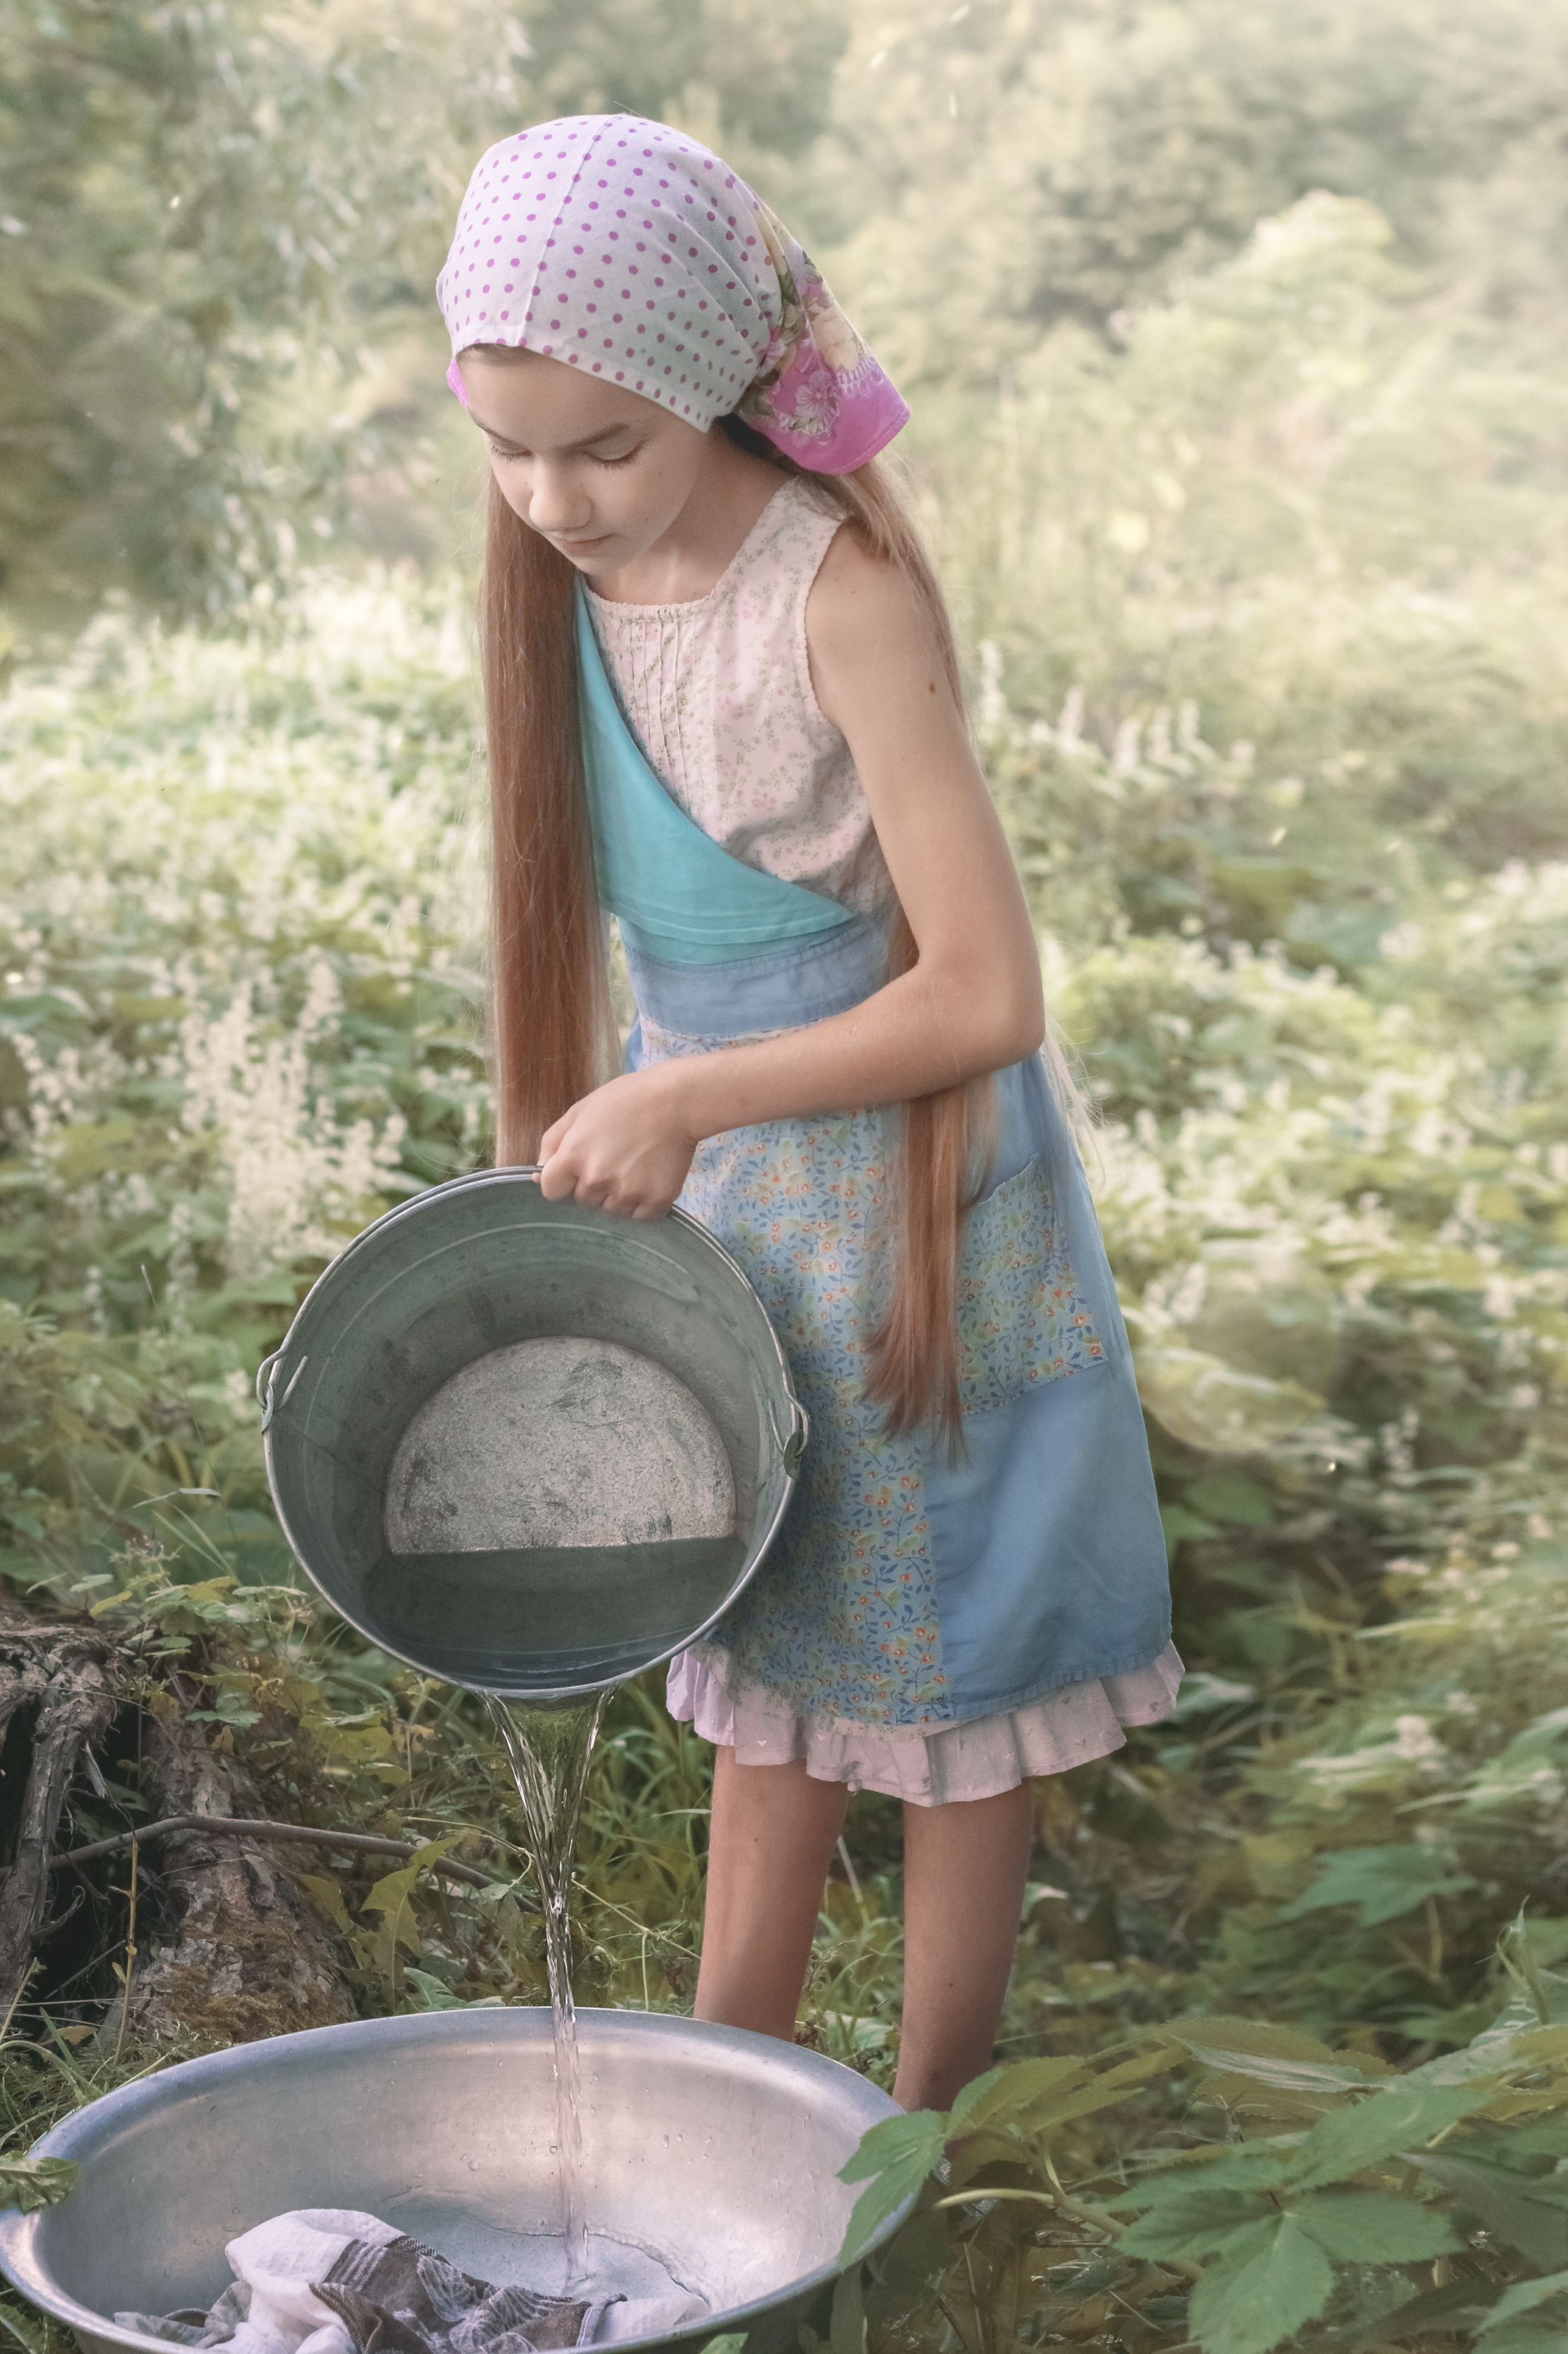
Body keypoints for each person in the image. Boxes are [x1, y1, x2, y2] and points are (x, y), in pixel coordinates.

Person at [435, 115, 1178, 2112]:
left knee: (960, 1681)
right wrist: (558, 1192)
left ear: (708, 391)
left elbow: (985, 989)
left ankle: (924, 2139)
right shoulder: (562, 598)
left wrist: (687, 1097)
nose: (552, 497)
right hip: (738, 1217)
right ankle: (716, 2098)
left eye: (607, 448)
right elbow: (566, 943)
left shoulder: (831, 592)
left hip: (930, 1206)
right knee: (763, 1667)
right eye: (508, 445)